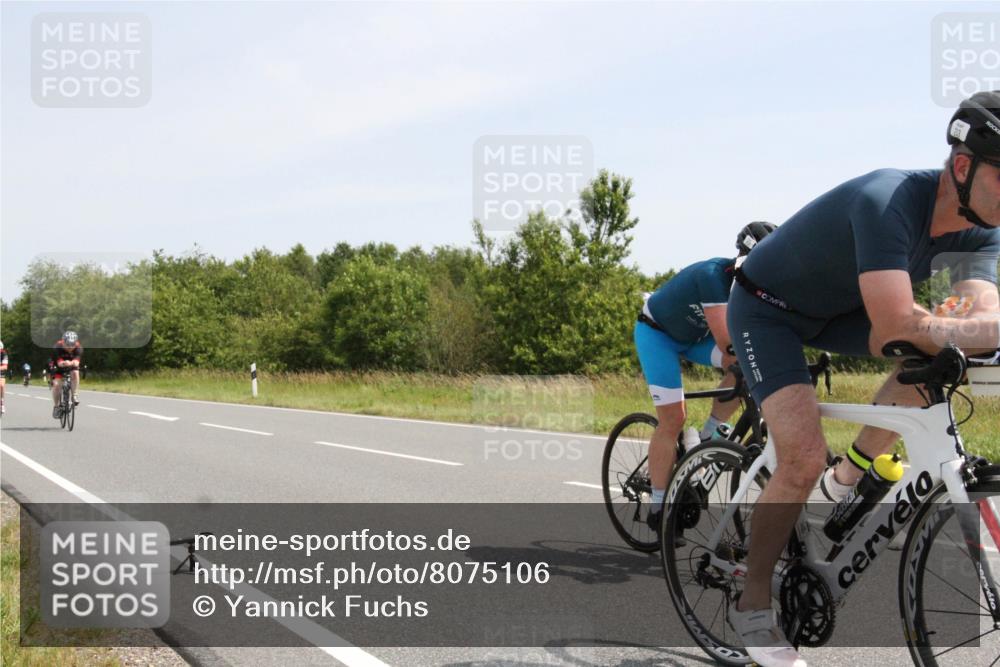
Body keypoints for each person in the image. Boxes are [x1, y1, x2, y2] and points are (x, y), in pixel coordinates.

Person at [724, 91, 1000, 667]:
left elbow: (975, 319)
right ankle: (753, 605)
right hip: (768, 307)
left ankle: (843, 482)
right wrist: (975, 331)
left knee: (934, 362)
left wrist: (974, 332)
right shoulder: (889, 200)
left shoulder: (981, 230)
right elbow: (902, 320)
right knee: (800, 457)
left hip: (842, 312)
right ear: (962, 167)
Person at [636, 221, 777, 531]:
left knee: (743, 368)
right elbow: (730, 343)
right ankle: (659, 506)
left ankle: (707, 437)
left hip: (694, 338)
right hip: (657, 335)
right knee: (673, 419)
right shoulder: (713, 277)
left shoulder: (757, 287)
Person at [51, 331, 83, 418]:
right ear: (63, 342)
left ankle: (74, 395)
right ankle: (56, 407)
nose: (70, 347)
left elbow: (76, 362)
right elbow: (59, 363)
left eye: (72, 344)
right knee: (57, 385)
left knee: (75, 372)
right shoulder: (57, 347)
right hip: (59, 366)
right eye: (67, 344)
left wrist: (72, 362)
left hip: (71, 365)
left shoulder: (78, 347)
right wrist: (65, 362)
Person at [0, 341, 7, 415]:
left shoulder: (3, 354)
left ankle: (1, 402)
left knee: (1, 385)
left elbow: (5, 367)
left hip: (1, 372)